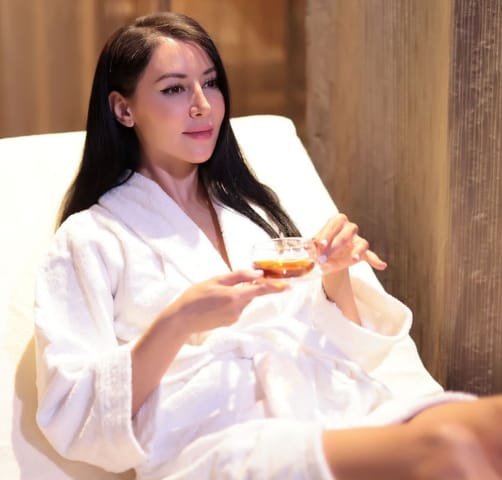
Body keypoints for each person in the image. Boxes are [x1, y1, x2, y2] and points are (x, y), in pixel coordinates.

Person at [33, 11, 502, 480]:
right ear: (123, 109)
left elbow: (348, 353)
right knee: (449, 446)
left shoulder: (252, 214)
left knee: (489, 427)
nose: (203, 105)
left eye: (210, 83)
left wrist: (336, 274)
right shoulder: (90, 238)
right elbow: (73, 410)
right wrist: (177, 322)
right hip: (219, 444)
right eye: (175, 89)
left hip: (326, 409)